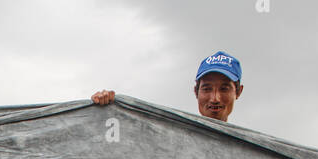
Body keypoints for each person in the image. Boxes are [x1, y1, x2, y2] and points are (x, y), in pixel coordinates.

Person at [91, 50, 244, 122]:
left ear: (238, 92)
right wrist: (105, 110)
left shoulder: (252, 149)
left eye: (224, 89)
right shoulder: (171, 135)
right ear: (196, 92)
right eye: (207, 88)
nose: (215, 98)